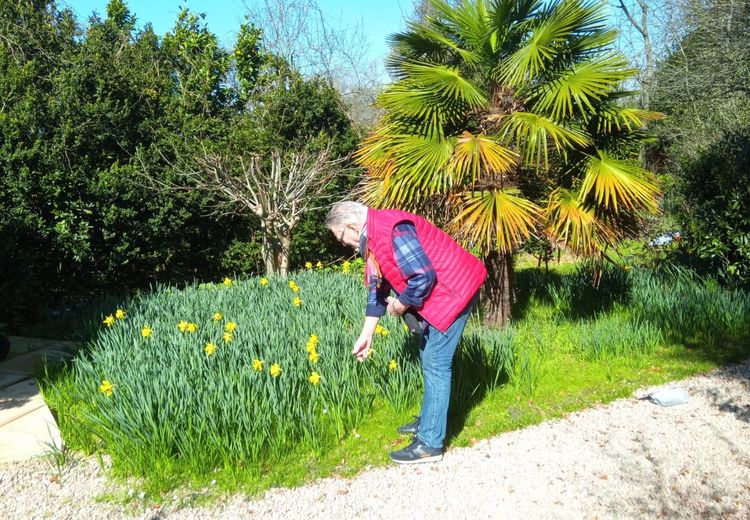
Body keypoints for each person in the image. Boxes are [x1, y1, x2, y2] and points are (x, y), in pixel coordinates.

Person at [325, 201, 487, 464]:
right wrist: (367, 334)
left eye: (341, 238)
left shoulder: (390, 229)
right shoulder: (373, 238)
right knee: (428, 353)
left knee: (436, 361)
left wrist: (401, 305)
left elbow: (423, 276)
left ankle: (430, 444)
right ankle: (429, 421)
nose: (344, 245)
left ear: (352, 227)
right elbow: (377, 289)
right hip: (445, 294)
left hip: (456, 291)